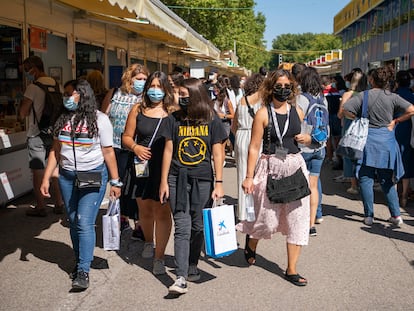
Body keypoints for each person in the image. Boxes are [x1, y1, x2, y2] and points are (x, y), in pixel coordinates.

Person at [40, 79, 121, 289]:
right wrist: (46, 177)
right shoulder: (62, 118)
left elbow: (108, 151)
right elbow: (55, 150)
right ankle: (79, 259)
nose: (66, 98)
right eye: (65, 94)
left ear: (83, 95)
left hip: (93, 175)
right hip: (67, 176)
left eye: (70, 94)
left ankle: (83, 270)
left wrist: (115, 181)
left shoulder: (100, 119)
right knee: (74, 219)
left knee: (84, 221)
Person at [237, 69, 311, 287]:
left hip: (295, 167)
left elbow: (301, 138)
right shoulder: (262, 113)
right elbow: (253, 147)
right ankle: (251, 242)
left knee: (298, 221)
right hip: (269, 168)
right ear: (270, 88)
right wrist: (249, 177)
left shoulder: (297, 111)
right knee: (267, 221)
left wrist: (306, 138)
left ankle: (292, 269)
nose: (283, 90)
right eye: (279, 86)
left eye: (287, 86)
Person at [159, 77, 227, 294]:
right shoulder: (173, 119)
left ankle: (191, 264)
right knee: (182, 226)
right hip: (177, 179)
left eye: (183, 95)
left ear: (196, 96)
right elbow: (168, 151)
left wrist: (219, 182)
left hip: (204, 181)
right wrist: (163, 181)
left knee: (198, 226)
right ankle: (180, 277)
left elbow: (218, 152)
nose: (179, 98)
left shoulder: (212, 120)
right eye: (179, 94)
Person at [343, 67, 414, 226]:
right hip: (387, 141)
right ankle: (396, 215)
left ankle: (369, 215)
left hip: (368, 141)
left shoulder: (364, 95)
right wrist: (396, 121)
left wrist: (358, 119)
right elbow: (411, 110)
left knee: (366, 178)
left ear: (371, 80)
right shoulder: (393, 97)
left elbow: (346, 109)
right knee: (387, 180)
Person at [122, 71, 174, 275]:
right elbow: (126, 136)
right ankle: (147, 241)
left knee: (162, 211)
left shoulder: (173, 112)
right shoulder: (137, 109)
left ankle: (159, 257)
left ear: (166, 90)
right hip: (140, 166)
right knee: (144, 210)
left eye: (159, 87)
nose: (155, 91)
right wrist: (135, 147)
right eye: (151, 86)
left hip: (164, 169)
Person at [101, 63, 149, 240]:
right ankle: (120, 218)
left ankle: (139, 223)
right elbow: (103, 117)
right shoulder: (114, 93)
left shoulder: (146, 97)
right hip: (115, 147)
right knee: (118, 183)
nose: (142, 82)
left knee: (136, 185)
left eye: (144, 79)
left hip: (138, 148)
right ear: (130, 79)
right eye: (139, 79)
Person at [20, 55, 64, 216]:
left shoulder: (32, 87)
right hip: (54, 133)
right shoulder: (57, 85)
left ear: (34, 69)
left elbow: (23, 112)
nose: (26, 74)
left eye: (26, 70)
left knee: (38, 171)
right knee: (54, 169)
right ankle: (59, 203)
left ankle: (40, 206)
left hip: (36, 133)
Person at [296, 67, 329, 236]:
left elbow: (296, 120)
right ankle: (311, 224)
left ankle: (300, 222)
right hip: (320, 147)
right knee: (314, 186)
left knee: (300, 186)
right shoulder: (323, 99)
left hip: (304, 147)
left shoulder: (302, 99)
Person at [232, 73, 264, 220]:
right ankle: (256, 210)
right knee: (257, 174)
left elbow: (234, 126)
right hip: (256, 137)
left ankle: (243, 212)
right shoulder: (262, 101)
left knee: (242, 174)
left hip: (241, 136)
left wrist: (239, 135)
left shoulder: (242, 101)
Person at [337, 70, 367, 194]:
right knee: (362, 152)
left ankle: (353, 185)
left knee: (349, 153)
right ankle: (363, 182)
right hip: (364, 126)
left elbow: (340, 114)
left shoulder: (347, 95)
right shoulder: (367, 94)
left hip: (349, 126)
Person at [394, 70, 414, 207]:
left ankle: (394, 194)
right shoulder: (412, 96)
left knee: (394, 162)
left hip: (393, 130)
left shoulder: (393, 96)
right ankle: (405, 196)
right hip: (408, 131)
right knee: (406, 161)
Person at [213, 80, 235, 163]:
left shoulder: (227, 101)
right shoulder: (213, 101)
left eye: (216, 89)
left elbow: (233, 115)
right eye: (214, 89)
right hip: (215, 124)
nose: (215, 91)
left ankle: (220, 164)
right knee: (216, 146)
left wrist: (223, 115)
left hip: (225, 124)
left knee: (222, 146)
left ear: (220, 90)